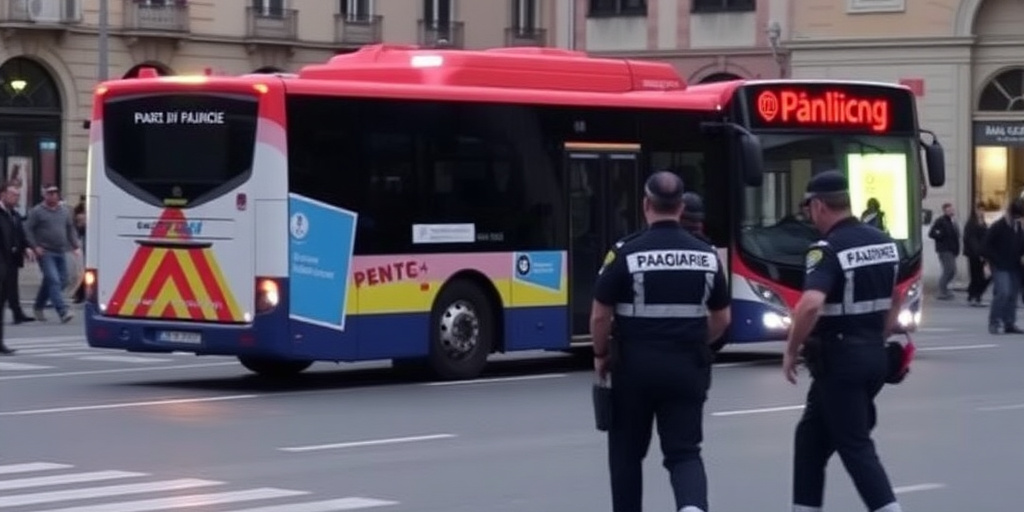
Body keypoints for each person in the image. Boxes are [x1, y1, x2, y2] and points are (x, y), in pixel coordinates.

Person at [591, 171, 731, 512]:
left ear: (645, 205)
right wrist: (697, 342)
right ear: (681, 207)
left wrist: (600, 354)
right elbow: (722, 318)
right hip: (687, 368)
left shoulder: (625, 252)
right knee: (684, 453)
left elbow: (599, 316)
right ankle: (692, 508)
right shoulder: (707, 255)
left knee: (626, 456)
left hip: (633, 371)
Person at [782, 170, 904, 512]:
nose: (809, 215)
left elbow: (810, 305)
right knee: (810, 440)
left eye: (809, 208)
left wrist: (791, 350)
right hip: (872, 356)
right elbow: (896, 296)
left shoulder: (826, 248)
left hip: (840, 360)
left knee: (855, 446)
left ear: (820, 205)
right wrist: (878, 335)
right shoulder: (883, 241)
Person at [24, 184, 80, 323]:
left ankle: (38, 306)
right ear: (45, 195)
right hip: (45, 252)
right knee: (54, 281)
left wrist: (75, 245)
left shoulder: (64, 211)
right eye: (50, 193)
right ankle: (63, 311)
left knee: (62, 280)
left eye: (55, 192)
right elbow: (28, 229)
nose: (53, 195)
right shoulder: (37, 211)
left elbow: (70, 228)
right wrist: (34, 246)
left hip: (61, 250)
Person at [981, 198, 1024, 334]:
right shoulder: (998, 226)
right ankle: (994, 322)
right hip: (1000, 265)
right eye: (1016, 216)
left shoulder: (1019, 227)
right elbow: (985, 246)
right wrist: (993, 261)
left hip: (1015, 265)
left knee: (1013, 294)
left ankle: (1009, 323)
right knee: (1003, 292)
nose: (1018, 219)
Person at [0, 185, 34, 324]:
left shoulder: (14, 215)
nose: (16, 198)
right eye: (13, 194)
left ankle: (17, 313)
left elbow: (20, 234)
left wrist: (26, 247)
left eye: (17, 195)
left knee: (11, 287)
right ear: (3, 194)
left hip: (13, 258)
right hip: (2, 258)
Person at [928, 203, 960, 300]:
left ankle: (945, 290)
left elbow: (956, 236)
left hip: (951, 250)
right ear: (945, 211)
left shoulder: (952, 221)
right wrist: (940, 235)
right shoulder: (940, 221)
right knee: (948, 270)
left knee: (953, 271)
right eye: (949, 209)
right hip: (944, 250)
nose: (951, 211)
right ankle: (942, 291)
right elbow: (932, 233)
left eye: (952, 209)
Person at [963, 203, 990, 307]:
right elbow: (971, 240)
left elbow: (986, 237)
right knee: (976, 275)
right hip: (974, 254)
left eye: (983, 210)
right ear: (975, 210)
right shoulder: (971, 223)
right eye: (979, 210)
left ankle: (974, 294)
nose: (981, 212)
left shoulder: (983, 223)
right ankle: (974, 295)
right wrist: (979, 253)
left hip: (982, 253)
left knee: (983, 275)